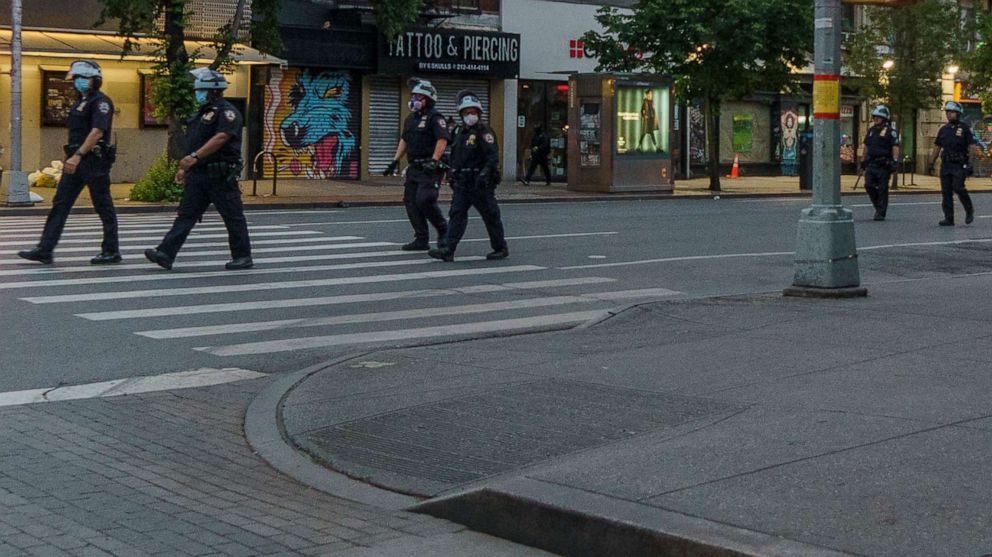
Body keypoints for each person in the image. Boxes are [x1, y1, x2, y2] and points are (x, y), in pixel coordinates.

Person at [144, 67, 252, 270]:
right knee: (186, 214)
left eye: (200, 90)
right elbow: (194, 141)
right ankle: (166, 253)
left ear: (213, 91)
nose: (197, 94)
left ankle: (243, 256)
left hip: (220, 175)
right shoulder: (202, 113)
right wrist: (184, 168)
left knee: (232, 216)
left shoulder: (227, 112)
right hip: (199, 175)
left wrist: (194, 157)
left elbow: (221, 138)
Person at [18, 60, 119, 265]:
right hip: (75, 160)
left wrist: (78, 155)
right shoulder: (81, 101)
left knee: (103, 205)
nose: (79, 82)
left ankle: (111, 250)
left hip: (92, 161)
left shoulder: (101, 102)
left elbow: (97, 131)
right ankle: (45, 249)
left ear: (95, 80)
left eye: (83, 78)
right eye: (76, 79)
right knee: (60, 203)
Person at [428, 91, 508, 263]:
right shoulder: (459, 132)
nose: (470, 116)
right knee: (457, 214)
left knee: (490, 215)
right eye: (466, 113)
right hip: (463, 183)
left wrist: (485, 174)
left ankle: (500, 248)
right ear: (461, 115)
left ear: (478, 113)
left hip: (480, 183)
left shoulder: (484, 131)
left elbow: (492, 157)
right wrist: (451, 173)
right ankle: (448, 249)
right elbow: (455, 156)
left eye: (473, 112)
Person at [383, 78, 449, 251]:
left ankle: (443, 229)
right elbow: (405, 139)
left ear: (428, 100)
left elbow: (442, 140)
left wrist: (434, 161)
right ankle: (421, 239)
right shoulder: (411, 119)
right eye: (413, 96)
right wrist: (394, 160)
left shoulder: (436, 117)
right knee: (411, 202)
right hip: (414, 168)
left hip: (430, 167)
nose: (414, 100)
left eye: (418, 97)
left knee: (425, 199)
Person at [928, 100, 983, 226]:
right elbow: (937, 147)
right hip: (946, 164)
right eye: (948, 112)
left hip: (959, 164)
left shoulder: (964, 128)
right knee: (946, 191)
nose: (949, 115)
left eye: (952, 112)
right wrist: (931, 163)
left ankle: (969, 209)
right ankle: (949, 218)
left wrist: (971, 163)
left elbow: (972, 147)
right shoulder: (943, 130)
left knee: (958, 187)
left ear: (958, 113)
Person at [860, 104, 900, 221]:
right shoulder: (871, 131)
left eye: (878, 117)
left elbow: (895, 147)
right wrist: (862, 161)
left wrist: (895, 161)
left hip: (884, 165)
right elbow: (866, 147)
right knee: (868, 185)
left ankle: (881, 212)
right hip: (871, 163)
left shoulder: (890, 132)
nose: (876, 119)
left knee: (883, 188)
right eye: (875, 117)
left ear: (884, 119)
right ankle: (878, 205)